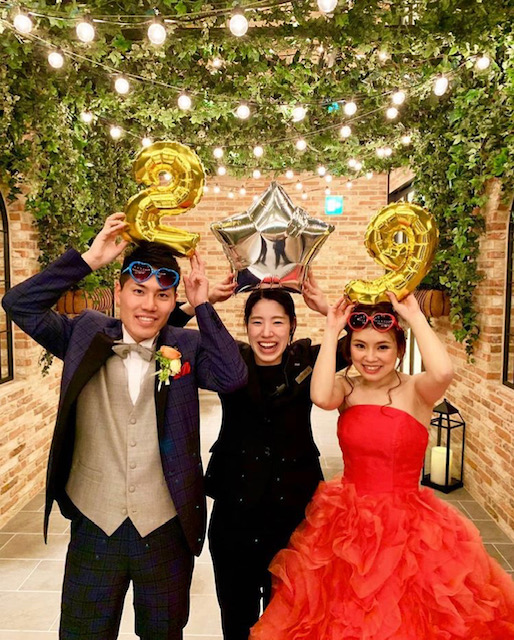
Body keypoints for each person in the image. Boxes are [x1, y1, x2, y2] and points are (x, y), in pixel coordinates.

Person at [2, 212, 248, 640]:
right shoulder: (85, 333)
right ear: (118, 292)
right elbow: (19, 304)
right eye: (138, 290)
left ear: (173, 301)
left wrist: (203, 305)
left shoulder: (185, 344)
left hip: (165, 529)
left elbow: (232, 377)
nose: (149, 305)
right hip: (95, 525)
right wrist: (87, 261)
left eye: (162, 295)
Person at [249, 294, 514, 639]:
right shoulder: (347, 388)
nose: (370, 357)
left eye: (382, 347)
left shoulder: (418, 390)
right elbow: (320, 396)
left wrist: (415, 316)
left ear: (400, 350)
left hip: (407, 528)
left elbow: (444, 371)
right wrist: (331, 329)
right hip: (346, 525)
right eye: (360, 346)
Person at [199, 276, 349, 640]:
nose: (267, 333)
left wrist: (328, 309)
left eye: (277, 321)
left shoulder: (309, 360)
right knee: (237, 623)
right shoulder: (230, 362)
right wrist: (202, 302)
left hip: (294, 518)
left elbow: (362, 340)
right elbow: (167, 335)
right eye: (257, 322)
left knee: (288, 624)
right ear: (246, 326)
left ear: (292, 325)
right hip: (235, 520)